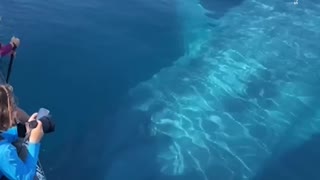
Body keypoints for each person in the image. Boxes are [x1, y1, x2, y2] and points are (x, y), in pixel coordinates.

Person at [0, 84, 44, 180]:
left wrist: (24, 129)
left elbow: (3, 136)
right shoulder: (4, 152)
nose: (16, 111)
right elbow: (26, 177)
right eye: (13, 107)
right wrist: (34, 143)